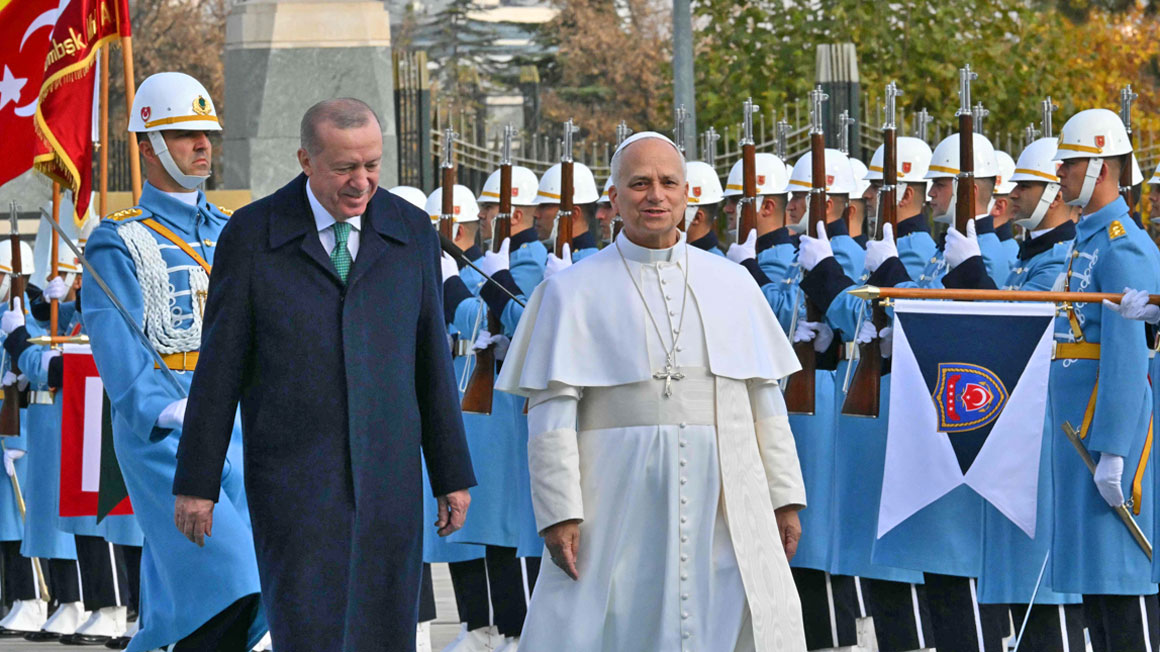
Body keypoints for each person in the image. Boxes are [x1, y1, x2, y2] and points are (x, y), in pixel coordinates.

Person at [173, 97, 476, 652]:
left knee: (385, 634)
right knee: (310, 632)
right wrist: (198, 484)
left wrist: (451, 472)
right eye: (345, 168)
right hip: (294, 483)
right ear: (305, 161)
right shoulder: (252, 234)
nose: (362, 182)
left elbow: (431, 360)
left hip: (390, 482)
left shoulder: (410, 231)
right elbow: (218, 370)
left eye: (373, 166)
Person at [497, 132, 808, 651]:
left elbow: (766, 402)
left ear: (687, 194)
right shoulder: (569, 291)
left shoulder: (734, 284)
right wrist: (559, 511)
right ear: (613, 201)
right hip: (614, 497)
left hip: (725, 497)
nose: (655, 196)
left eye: (667, 183)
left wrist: (784, 498)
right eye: (639, 183)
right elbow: (550, 414)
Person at [80, 72, 267, 652]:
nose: (203, 144)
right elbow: (119, 344)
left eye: (206, 132)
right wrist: (165, 409)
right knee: (234, 582)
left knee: (192, 600)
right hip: (168, 430)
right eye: (184, 133)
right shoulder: (117, 240)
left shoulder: (236, 230)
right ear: (146, 145)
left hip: (243, 424)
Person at [939, 136, 1086, 650]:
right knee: (1020, 587)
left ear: (1054, 194)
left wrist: (970, 272)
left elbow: (1020, 327)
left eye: (1027, 185)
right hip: (1016, 433)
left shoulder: (1063, 257)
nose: (1016, 193)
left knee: (1045, 591)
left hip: (1047, 431)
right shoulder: (1030, 257)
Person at [1045, 108, 1160, 651]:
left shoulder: (1122, 244)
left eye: (1072, 163)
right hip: (1077, 436)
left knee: (1124, 589)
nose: (1062, 173)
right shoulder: (1085, 240)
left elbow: (1126, 354)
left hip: (1104, 437)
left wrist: (1115, 446)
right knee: (1096, 593)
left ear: (1102, 169)